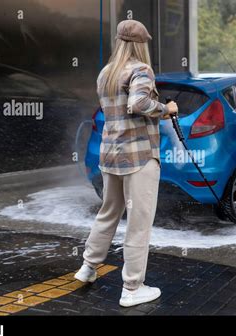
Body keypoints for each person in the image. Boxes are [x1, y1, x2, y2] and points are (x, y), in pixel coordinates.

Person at [74, 19, 178, 307]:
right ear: (139, 43)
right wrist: (166, 109)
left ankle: (87, 268)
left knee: (108, 213)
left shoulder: (107, 73)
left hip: (110, 156)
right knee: (139, 223)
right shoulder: (141, 70)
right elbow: (139, 104)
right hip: (139, 157)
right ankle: (133, 288)